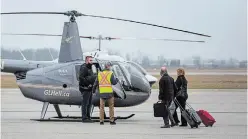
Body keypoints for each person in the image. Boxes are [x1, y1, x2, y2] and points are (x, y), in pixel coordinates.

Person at [79, 56, 97, 123]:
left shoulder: (90, 68)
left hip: (90, 88)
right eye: (90, 60)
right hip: (85, 88)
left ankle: (88, 117)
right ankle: (84, 118)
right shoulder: (84, 68)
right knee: (85, 103)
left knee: (89, 103)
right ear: (86, 61)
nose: (91, 62)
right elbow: (81, 78)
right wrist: (87, 84)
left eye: (92, 60)